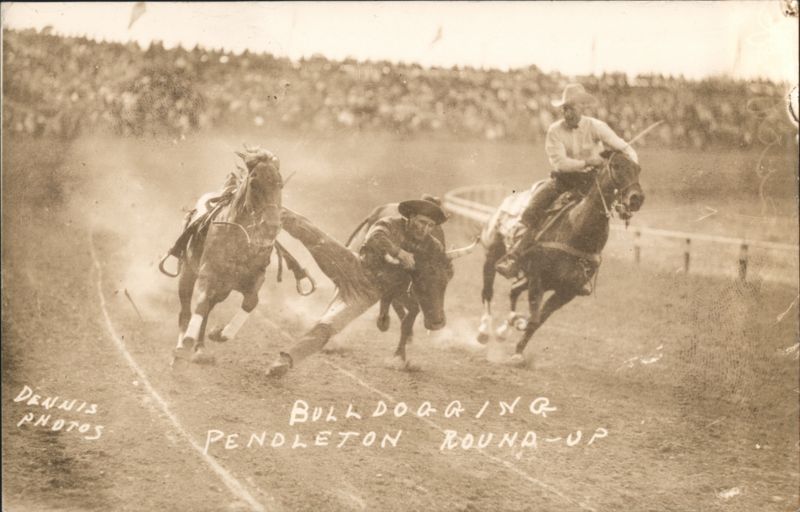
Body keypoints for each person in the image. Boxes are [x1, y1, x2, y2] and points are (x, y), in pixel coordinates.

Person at [267, 197, 448, 375]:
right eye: (422, 222)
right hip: (353, 267)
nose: (425, 229)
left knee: (329, 325)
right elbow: (374, 236)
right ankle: (269, 209)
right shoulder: (390, 224)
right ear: (410, 217)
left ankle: (286, 360)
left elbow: (437, 272)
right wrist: (399, 252)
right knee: (316, 237)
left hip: (367, 293)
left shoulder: (433, 246)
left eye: (430, 226)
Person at [495, 83, 638, 283]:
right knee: (533, 208)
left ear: (582, 108)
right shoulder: (554, 131)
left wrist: (630, 163)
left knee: (607, 210)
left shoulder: (596, 127)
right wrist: (588, 162)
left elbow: (626, 148)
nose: (566, 112)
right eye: (564, 108)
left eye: (571, 107)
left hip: (591, 184)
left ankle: (587, 269)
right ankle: (515, 257)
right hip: (563, 181)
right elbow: (560, 163)